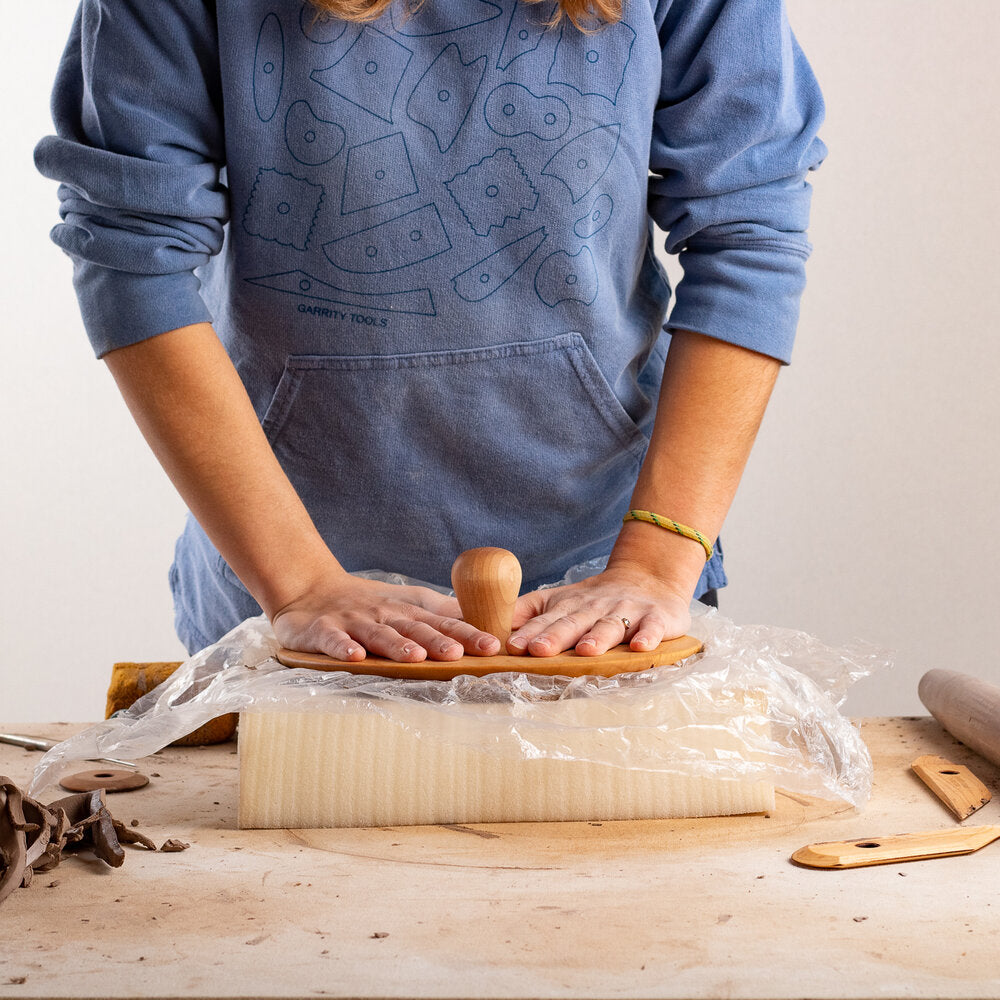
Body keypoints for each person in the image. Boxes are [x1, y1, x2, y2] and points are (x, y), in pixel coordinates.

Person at [35, 0, 827, 664]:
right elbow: (132, 255)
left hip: (612, 586)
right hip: (283, 587)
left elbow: (747, 228)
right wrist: (300, 582)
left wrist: (657, 564)